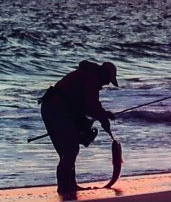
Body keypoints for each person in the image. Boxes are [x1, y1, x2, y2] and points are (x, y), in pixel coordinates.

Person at [39, 60, 118, 194]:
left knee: (69, 149)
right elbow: (91, 105)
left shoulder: (89, 76)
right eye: (108, 80)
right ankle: (64, 187)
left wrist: (103, 114)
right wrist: (103, 117)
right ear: (103, 74)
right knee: (70, 149)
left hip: (57, 109)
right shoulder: (91, 79)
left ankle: (71, 184)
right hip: (55, 110)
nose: (107, 84)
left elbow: (89, 105)